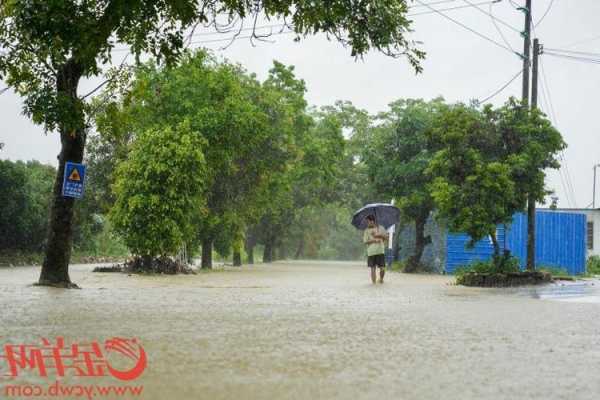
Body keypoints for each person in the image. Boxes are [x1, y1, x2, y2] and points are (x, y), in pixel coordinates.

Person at [363, 215, 388, 284]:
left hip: (380, 251)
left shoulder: (380, 228)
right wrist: (373, 240)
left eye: (368, 222)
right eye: (367, 222)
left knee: (382, 268)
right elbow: (365, 241)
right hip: (371, 252)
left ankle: (381, 279)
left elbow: (386, 237)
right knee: (373, 269)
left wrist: (378, 235)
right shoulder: (366, 231)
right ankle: (373, 283)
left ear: (372, 221)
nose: (367, 223)